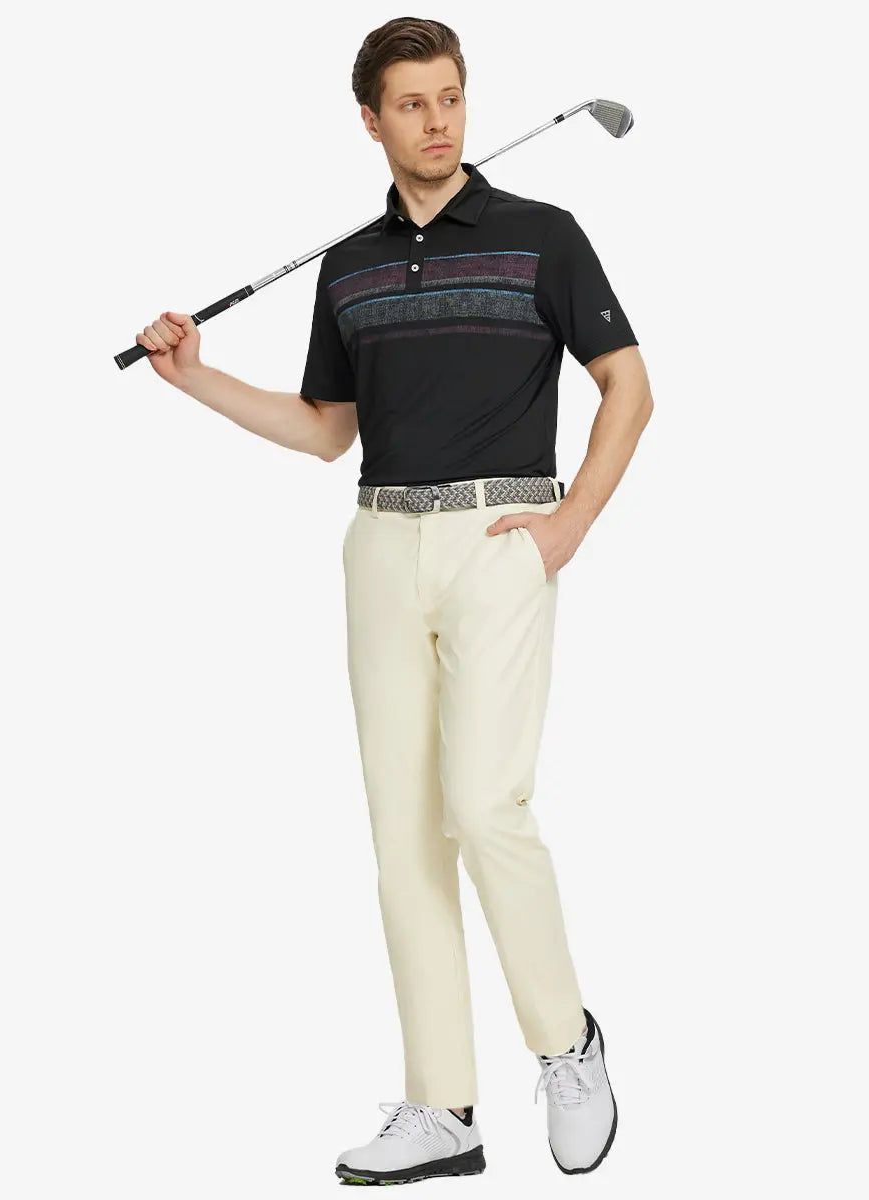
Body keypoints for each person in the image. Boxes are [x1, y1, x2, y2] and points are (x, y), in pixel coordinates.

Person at [133, 16, 653, 1188]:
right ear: (370, 120)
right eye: (413, 104)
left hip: (502, 534)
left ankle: (566, 1044)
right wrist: (196, 377)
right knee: (405, 837)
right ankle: (442, 1106)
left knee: (484, 802)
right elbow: (327, 432)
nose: (438, 122)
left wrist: (570, 524)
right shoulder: (351, 265)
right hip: (379, 543)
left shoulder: (543, 235)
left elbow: (629, 387)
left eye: (451, 98)